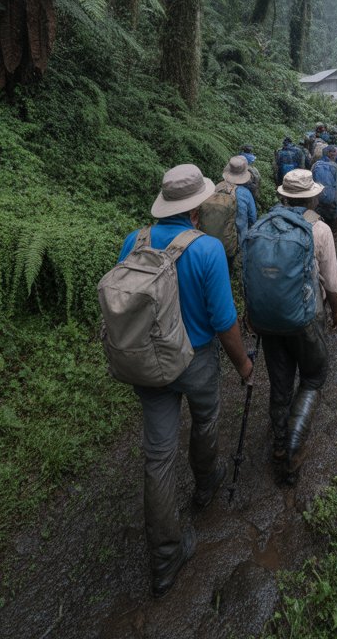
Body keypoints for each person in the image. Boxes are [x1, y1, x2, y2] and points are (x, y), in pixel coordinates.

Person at [117, 164, 254, 598]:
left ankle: (164, 559)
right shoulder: (207, 249)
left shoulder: (134, 241)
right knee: (205, 420)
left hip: (147, 362)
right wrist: (244, 366)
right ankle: (205, 483)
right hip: (194, 361)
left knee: (158, 457)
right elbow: (224, 322)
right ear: (197, 209)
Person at [243, 169, 337, 484]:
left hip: (269, 319)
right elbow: (333, 283)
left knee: (281, 381)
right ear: (313, 198)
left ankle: (279, 443)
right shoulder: (320, 229)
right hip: (307, 318)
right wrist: (335, 312)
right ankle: (293, 448)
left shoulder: (262, 226)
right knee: (313, 377)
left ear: (283, 196)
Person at [198, 155, 257, 267]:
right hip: (235, 241)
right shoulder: (245, 193)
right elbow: (252, 218)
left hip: (211, 237)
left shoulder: (217, 187)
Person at [312, 145, 337, 243]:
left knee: (320, 231)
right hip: (333, 206)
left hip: (318, 206)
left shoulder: (315, 166)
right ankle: (334, 246)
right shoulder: (336, 168)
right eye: (334, 152)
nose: (336, 154)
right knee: (334, 231)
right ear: (330, 154)